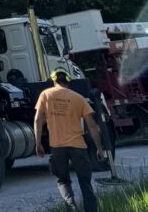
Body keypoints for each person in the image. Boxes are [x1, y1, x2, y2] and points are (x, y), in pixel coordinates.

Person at [35, 68, 105, 212]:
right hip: (78, 146)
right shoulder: (78, 98)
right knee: (85, 184)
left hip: (58, 147)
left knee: (62, 181)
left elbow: (37, 120)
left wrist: (38, 143)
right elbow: (92, 126)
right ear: (68, 81)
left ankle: (71, 209)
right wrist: (99, 148)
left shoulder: (45, 95)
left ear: (53, 80)